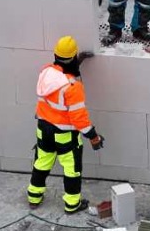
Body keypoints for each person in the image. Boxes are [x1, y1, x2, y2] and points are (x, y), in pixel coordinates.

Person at [31, 36, 104, 212]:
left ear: (55, 54)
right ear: (73, 57)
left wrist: (77, 62)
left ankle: (34, 196)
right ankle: (72, 204)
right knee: (72, 170)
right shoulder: (73, 87)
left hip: (43, 130)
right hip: (64, 136)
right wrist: (93, 136)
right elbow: (79, 119)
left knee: (41, 163)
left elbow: (61, 75)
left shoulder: (45, 72)